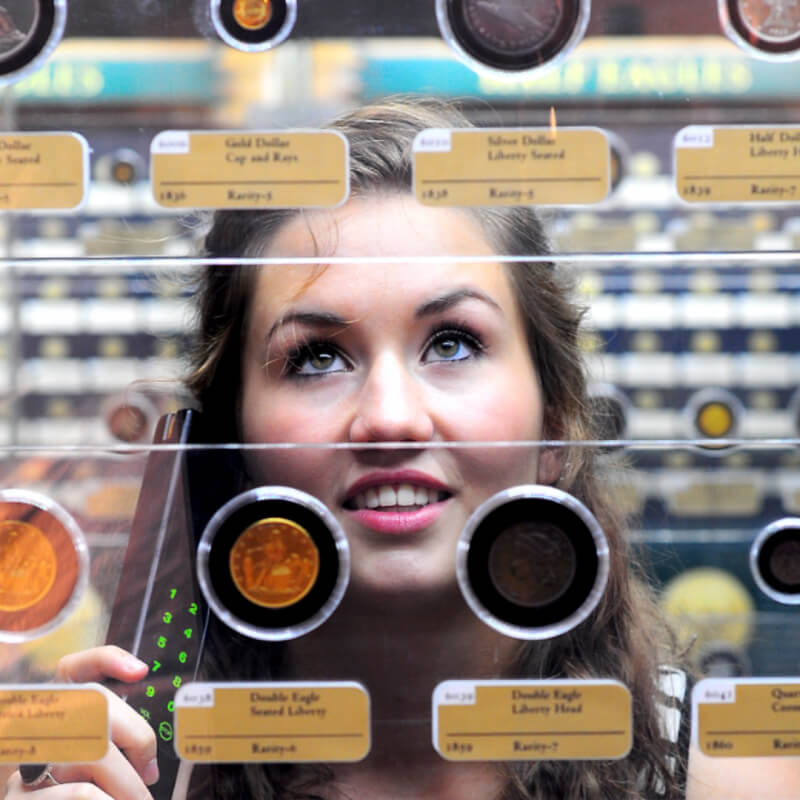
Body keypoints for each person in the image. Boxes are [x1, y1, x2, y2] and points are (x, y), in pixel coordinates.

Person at [5, 99, 798, 800]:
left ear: (555, 424)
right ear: (228, 445)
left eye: (452, 343)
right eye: (317, 356)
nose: (390, 418)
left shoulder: (739, 777)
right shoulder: (139, 772)